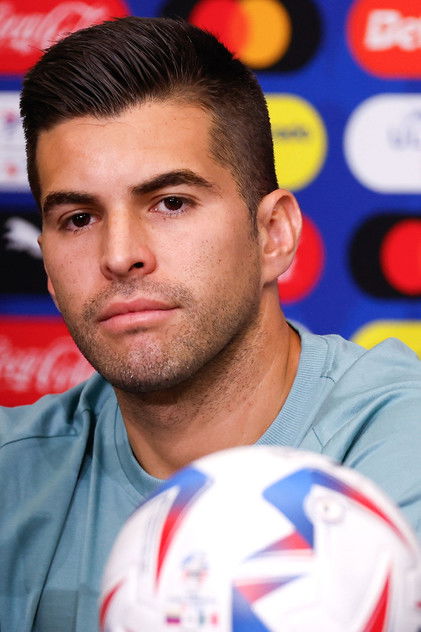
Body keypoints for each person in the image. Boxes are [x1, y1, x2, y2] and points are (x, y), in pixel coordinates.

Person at [1, 16, 420, 632]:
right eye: (79, 219)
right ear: (48, 265)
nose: (119, 255)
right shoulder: (14, 474)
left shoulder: (402, 443)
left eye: (171, 203)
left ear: (273, 234)